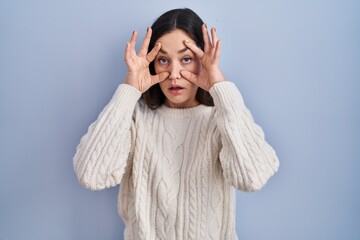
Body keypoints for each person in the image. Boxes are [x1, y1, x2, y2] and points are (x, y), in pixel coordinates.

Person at [73, 8, 279, 240]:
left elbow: (253, 178)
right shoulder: (135, 119)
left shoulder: (222, 119)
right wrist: (129, 90)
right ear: (152, 64)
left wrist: (219, 85)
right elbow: (91, 175)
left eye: (186, 59)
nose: (174, 73)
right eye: (163, 60)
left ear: (203, 61)